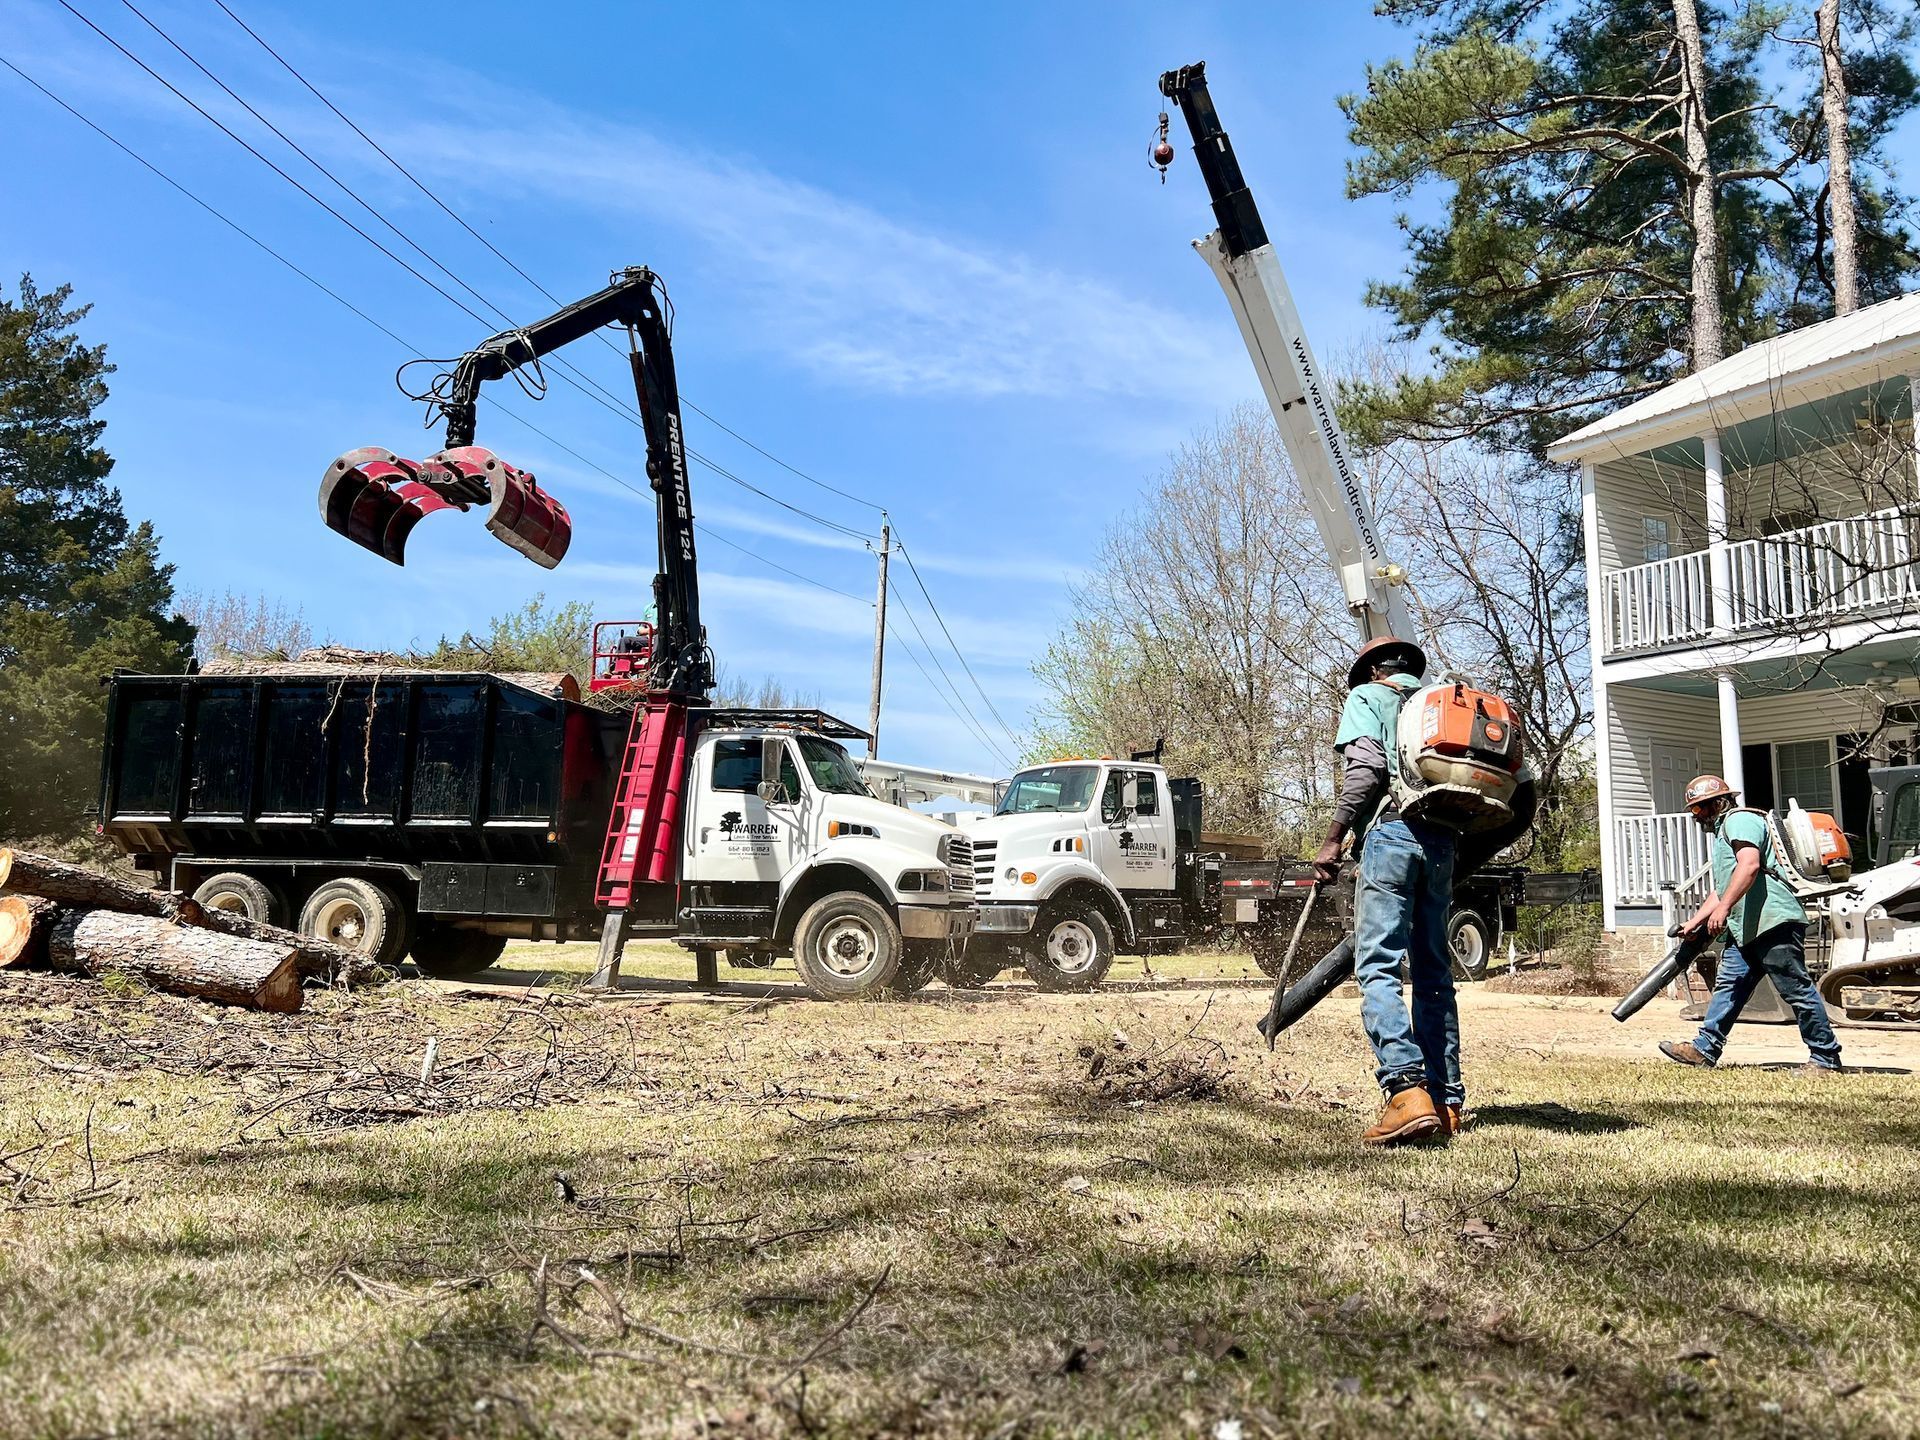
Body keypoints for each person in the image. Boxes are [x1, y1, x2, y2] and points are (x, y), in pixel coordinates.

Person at [1313, 635, 1460, 1146]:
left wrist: (1333, 840)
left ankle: (1406, 1091)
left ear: (1373, 671)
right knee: (1435, 973)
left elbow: (1367, 771)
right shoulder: (1435, 704)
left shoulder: (1369, 698)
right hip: (1442, 841)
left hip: (1393, 834)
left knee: (1378, 966)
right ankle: (1446, 1101)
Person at [1659, 775, 1843, 1074]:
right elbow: (1722, 887)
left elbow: (1750, 865)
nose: (1697, 817)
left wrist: (1725, 907)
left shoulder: (1739, 820)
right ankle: (1704, 1049)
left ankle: (1825, 1058)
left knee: (1796, 990)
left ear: (1718, 802)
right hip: (1746, 926)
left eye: (1699, 809)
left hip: (1773, 921)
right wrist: (1695, 921)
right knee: (1729, 987)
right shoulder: (1724, 832)